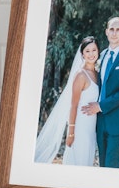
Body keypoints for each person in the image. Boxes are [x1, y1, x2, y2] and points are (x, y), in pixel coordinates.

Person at [81, 16, 119, 169]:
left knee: (112, 167)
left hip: (117, 121)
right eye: (111, 29)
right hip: (99, 121)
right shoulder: (102, 55)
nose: (114, 33)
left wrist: (100, 105)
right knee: (102, 166)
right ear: (106, 32)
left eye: (118, 29)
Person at [34, 36, 101, 166]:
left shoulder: (98, 74)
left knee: (87, 161)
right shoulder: (81, 75)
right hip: (80, 127)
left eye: (94, 50)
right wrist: (71, 133)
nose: (91, 54)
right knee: (78, 163)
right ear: (82, 54)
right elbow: (73, 105)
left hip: (91, 128)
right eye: (87, 51)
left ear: (98, 51)